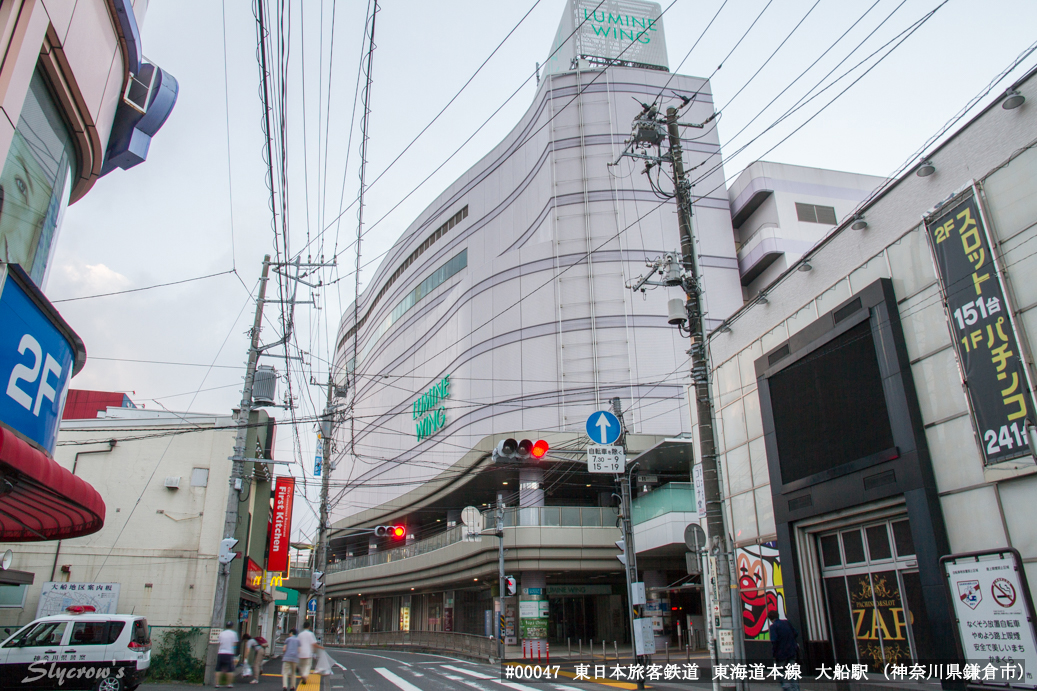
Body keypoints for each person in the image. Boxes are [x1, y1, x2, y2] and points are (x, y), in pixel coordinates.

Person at [768, 610, 800, 691]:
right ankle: (796, 689)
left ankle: (788, 689)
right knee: (792, 672)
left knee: (781, 673)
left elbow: (774, 641)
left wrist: (774, 654)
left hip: (780, 654)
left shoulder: (773, 627)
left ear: (770, 619)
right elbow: (796, 633)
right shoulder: (787, 623)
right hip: (792, 651)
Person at [216, 622, 239, 688]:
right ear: (232, 626)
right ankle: (229, 684)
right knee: (230, 669)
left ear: (226, 626)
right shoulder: (234, 634)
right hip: (229, 653)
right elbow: (235, 644)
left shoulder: (221, 633)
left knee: (218, 669)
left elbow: (219, 642)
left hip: (221, 652)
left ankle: (217, 683)